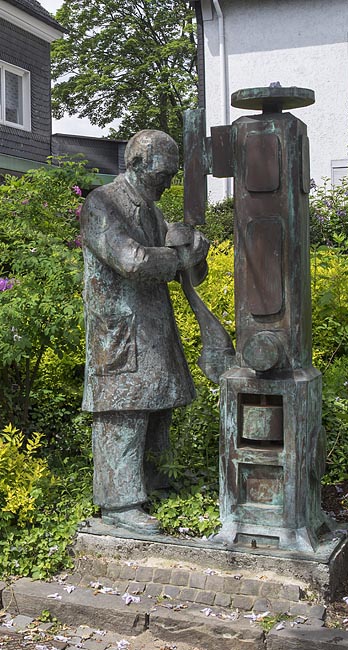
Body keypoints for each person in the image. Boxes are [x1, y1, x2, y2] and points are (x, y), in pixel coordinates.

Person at [80, 130, 210, 535]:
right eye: (163, 172)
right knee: (124, 411)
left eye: (172, 173)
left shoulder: (153, 213)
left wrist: (194, 252)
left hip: (151, 326)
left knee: (157, 406)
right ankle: (119, 503)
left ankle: (156, 480)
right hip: (119, 332)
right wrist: (176, 256)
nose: (169, 181)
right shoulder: (102, 203)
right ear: (137, 164)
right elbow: (132, 261)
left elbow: (180, 267)